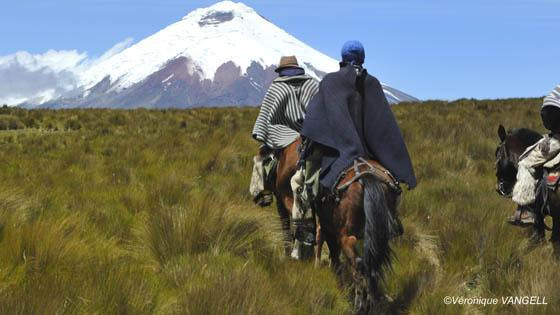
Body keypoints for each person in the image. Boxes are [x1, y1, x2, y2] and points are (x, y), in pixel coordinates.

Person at [290, 40, 417, 258]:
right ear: (363, 58)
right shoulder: (373, 84)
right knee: (389, 183)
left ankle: (307, 230)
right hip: (369, 152)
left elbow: (317, 120)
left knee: (300, 183)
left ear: (342, 58)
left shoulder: (330, 82)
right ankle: (392, 221)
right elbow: (383, 124)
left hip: (338, 153)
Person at [250, 56, 319, 206]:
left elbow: (266, 116)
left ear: (281, 70)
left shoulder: (276, 86)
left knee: (261, 156)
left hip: (283, 134)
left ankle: (262, 193)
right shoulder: (312, 84)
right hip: (312, 134)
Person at [511, 85, 560, 222]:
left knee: (525, 163)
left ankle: (526, 210)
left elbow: (550, 115)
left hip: (557, 140)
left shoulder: (556, 93)